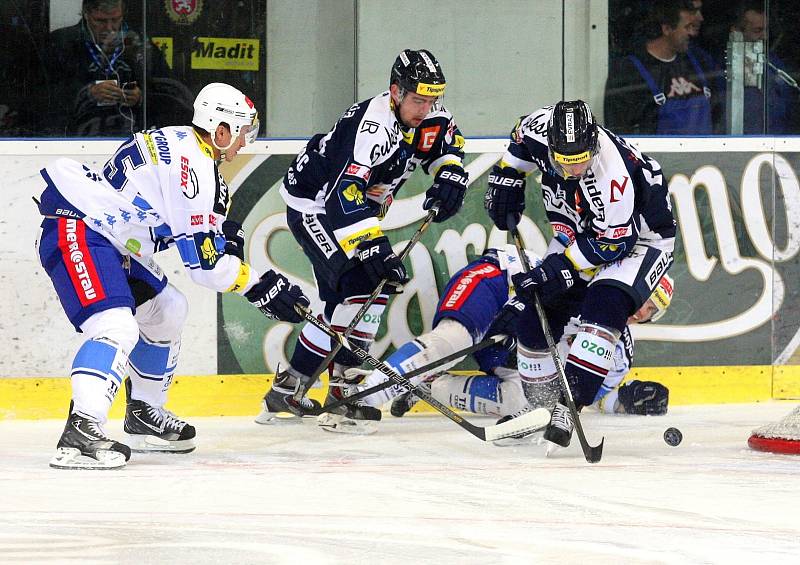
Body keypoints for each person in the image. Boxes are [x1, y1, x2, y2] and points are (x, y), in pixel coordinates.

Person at [36, 82, 310, 469]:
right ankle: (81, 432)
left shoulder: (178, 140)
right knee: (116, 327)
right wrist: (261, 287)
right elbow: (205, 268)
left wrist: (223, 240)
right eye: (243, 132)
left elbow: (181, 223)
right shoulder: (198, 170)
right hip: (79, 229)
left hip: (110, 238)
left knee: (169, 308)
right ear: (221, 130)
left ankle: (143, 413)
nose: (244, 144)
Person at [255, 49, 469, 431]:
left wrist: (450, 174)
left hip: (355, 208)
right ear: (395, 92)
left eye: (431, 98)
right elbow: (343, 196)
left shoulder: (432, 117)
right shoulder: (371, 127)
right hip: (315, 205)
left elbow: (447, 147)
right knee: (361, 283)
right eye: (418, 99)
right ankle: (317, 387)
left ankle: (320, 388)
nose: (425, 107)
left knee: (363, 291)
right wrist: (372, 246)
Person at [484, 99, 676, 450]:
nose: (573, 169)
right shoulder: (539, 126)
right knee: (535, 317)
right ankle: (540, 408)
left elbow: (611, 244)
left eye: (581, 160)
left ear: (593, 145)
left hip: (638, 242)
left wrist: (558, 269)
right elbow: (520, 139)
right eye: (565, 161)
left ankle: (569, 406)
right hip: (578, 233)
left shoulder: (612, 175)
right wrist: (508, 174)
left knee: (606, 303)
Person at [349, 246, 672, 424]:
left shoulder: (616, 347)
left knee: (529, 401)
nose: (638, 312)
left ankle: (427, 384)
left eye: (649, 312)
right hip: (500, 285)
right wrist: (518, 312)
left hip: (514, 344)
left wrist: (626, 400)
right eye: (643, 300)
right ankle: (362, 398)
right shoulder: (601, 283)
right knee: (455, 337)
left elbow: (583, 395)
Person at [43, 0, 173, 136]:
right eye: (101, 21)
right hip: (75, 139)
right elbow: (41, 97)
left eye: (115, 20)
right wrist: (87, 94)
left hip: (131, 136)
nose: (109, 28)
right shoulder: (61, 43)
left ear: (122, 15)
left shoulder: (140, 44)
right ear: (86, 14)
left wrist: (140, 98)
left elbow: (168, 94)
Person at [604, 0, 717, 135]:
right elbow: (620, 131)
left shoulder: (700, 61)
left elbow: (718, 112)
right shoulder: (629, 72)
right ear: (667, 29)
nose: (693, 34)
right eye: (688, 28)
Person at [729, 1, 798, 134]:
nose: (765, 36)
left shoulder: (774, 65)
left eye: (766, 30)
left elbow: (790, 111)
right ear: (736, 32)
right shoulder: (720, 68)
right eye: (757, 30)